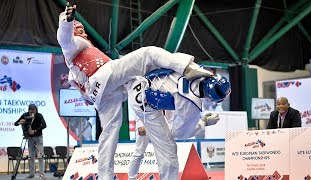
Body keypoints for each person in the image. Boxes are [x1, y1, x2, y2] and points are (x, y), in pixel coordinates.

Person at [57, 3, 214, 180]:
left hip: (102, 94)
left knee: (108, 135)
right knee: (148, 54)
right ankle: (185, 67)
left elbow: (81, 87)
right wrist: (66, 21)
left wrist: (88, 96)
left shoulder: (73, 64)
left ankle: (105, 177)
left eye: (83, 30)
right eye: (80, 30)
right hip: (106, 76)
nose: (84, 34)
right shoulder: (73, 45)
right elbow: (64, 39)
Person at [125, 69, 230, 179]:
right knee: (140, 152)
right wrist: (204, 122)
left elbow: (172, 130)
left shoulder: (191, 73)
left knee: (168, 150)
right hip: (145, 113)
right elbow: (178, 132)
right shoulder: (191, 105)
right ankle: (131, 178)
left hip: (150, 104)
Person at [14, 104, 47, 179]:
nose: (32, 111)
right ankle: (32, 174)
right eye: (31, 109)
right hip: (30, 138)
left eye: (34, 109)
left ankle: (41, 175)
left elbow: (44, 125)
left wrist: (35, 131)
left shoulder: (39, 115)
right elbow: (15, 123)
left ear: (36, 109)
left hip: (38, 137)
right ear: (28, 109)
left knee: (40, 156)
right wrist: (19, 122)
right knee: (31, 156)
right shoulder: (25, 115)